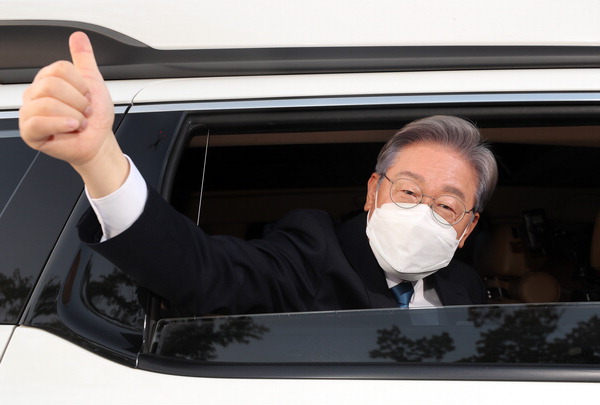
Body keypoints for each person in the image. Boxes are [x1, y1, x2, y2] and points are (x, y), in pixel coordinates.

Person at [19, 32, 498, 316]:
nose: (423, 212)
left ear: (466, 228)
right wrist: (99, 158)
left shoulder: (463, 287)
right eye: (409, 191)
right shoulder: (313, 255)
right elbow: (205, 272)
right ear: (373, 192)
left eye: (446, 205)